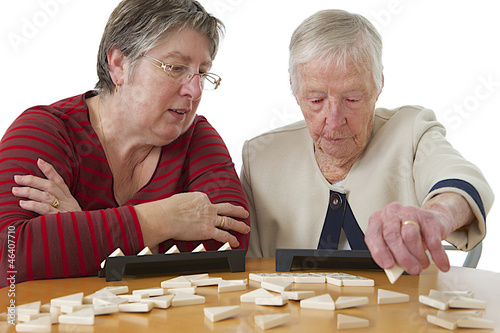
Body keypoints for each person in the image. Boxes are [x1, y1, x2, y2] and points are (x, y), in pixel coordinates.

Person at [0, 0, 250, 287]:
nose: (194, 90)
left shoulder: (196, 137)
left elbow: (230, 244)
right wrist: (162, 219)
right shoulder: (46, 130)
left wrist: (81, 227)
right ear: (119, 65)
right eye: (176, 67)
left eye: (202, 73)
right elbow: (10, 256)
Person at [241, 9, 494, 276]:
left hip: (402, 315)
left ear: (378, 85)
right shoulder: (260, 158)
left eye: (352, 99)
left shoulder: (411, 131)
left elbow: (460, 178)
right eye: (316, 100)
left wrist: (437, 214)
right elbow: (249, 275)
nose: (334, 120)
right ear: (295, 89)